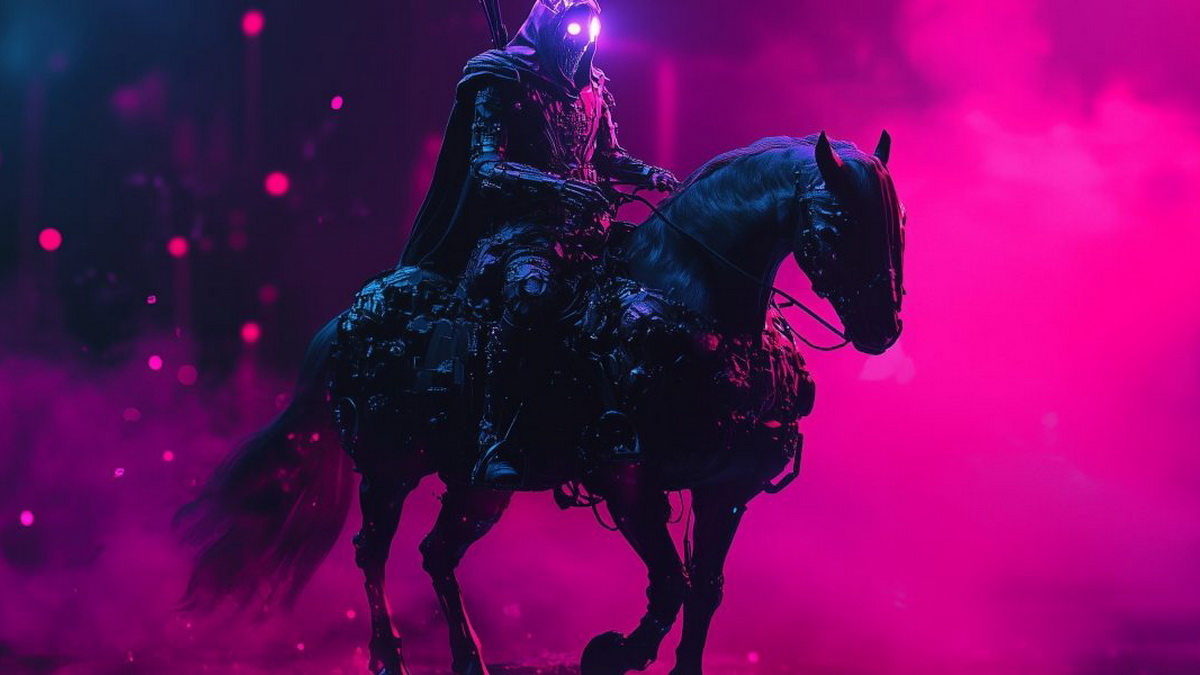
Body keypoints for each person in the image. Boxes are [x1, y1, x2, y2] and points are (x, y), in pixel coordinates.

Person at [399, 0, 677, 487]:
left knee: (645, 301)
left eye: (590, 29)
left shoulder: (593, 87)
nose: (581, 42)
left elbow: (608, 156)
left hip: (591, 232)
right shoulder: (501, 78)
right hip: (522, 232)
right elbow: (487, 167)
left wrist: (649, 173)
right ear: (550, 24)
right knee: (532, 297)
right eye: (573, 28)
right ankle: (493, 434)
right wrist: (560, 187)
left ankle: (614, 419)